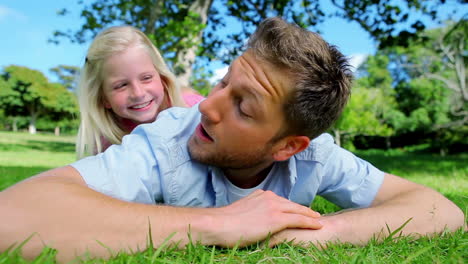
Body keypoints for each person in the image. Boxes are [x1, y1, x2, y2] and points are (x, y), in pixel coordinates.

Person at [0, 17, 464, 262]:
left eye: (242, 106)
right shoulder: (166, 140)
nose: (207, 105)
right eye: (224, 82)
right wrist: (216, 225)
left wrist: (325, 232)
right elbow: (13, 217)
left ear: (289, 146)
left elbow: (440, 210)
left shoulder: (316, 156)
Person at [75, 26, 204, 158]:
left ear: (162, 78)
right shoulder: (108, 145)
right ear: (104, 99)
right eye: (121, 85)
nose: (138, 93)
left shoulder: (196, 111)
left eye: (146, 78)